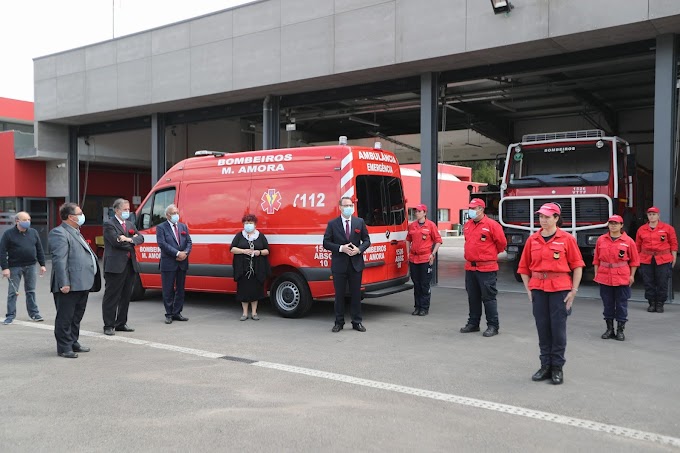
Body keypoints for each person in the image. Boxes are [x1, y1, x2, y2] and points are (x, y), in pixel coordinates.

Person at [517, 202, 584, 385]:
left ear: (556, 218)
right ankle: (545, 365)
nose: (543, 220)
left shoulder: (567, 239)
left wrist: (573, 291)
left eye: (547, 217)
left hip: (560, 288)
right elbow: (523, 268)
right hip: (538, 288)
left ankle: (557, 368)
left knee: (558, 329)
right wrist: (528, 289)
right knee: (543, 327)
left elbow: (577, 266)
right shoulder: (533, 240)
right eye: (541, 217)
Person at [49, 203, 101, 358]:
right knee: (65, 317)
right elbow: (60, 260)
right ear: (71, 217)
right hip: (69, 284)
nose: (82, 215)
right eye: (79, 213)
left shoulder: (76, 231)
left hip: (82, 282)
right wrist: (64, 282)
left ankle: (73, 341)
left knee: (76, 316)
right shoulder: (59, 233)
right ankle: (64, 347)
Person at [460, 198, 507, 337]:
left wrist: (489, 255)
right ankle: (473, 323)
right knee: (473, 297)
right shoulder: (468, 225)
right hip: (470, 268)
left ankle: (493, 326)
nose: (471, 211)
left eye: (474, 208)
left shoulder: (492, 225)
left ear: (481, 209)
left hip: (486, 268)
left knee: (488, 298)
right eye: (470, 208)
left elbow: (501, 244)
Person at [323, 197, 371, 333]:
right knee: (339, 295)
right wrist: (341, 248)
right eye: (346, 205)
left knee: (356, 295)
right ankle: (339, 322)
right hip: (339, 265)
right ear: (340, 207)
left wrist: (359, 249)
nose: (349, 207)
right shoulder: (333, 224)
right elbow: (326, 242)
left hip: (355, 264)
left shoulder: (359, 222)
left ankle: (357, 322)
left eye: (351, 205)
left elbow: (367, 240)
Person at [101, 198, 144, 335]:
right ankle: (108, 325)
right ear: (117, 210)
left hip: (130, 265)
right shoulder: (109, 224)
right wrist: (131, 242)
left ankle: (121, 323)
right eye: (125, 209)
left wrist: (129, 239)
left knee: (126, 296)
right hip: (115, 265)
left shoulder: (130, 224)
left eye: (128, 209)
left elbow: (141, 238)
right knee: (112, 296)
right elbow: (116, 242)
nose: (127, 212)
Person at [593, 215, 639, 341]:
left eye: (616, 223)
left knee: (621, 304)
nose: (613, 225)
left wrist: (632, 276)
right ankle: (609, 329)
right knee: (607, 304)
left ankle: (620, 330)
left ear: (621, 225)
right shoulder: (601, 240)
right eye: (611, 223)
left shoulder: (628, 241)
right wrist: (597, 274)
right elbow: (596, 259)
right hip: (604, 275)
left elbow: (634, 261)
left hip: (621, 276)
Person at [1, 211, 47, 324]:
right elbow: (2, 252)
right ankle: (10, 315)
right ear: (17, 221)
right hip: (14, 267)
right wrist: (5, 268)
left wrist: (42, 264)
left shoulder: (33, 233)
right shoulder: (8, 234)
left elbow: (39, 249)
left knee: (31, 291)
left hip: (31, 265)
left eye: (29, 220)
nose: (27, 222)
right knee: (13, 292)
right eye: (25, 220)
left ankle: (34, 314)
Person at [635, 206, 677, 313]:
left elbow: (673, 243)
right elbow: (637, 246)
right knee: (648, 282)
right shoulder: (642, 229)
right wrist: (637, 259)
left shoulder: (668, 228)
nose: (652, 216)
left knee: (662, 281)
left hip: (663, 258)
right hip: (646, 258)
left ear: (658, 216)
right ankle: (651, 303)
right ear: (647, 216)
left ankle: (660, 303)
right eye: (650, 214)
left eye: (654, 214)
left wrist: (674, 257)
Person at [230, 214, 271, 321]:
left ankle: (254, 312)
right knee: (243, 290)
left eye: (250, 223)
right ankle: (244, 313)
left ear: (255, 224)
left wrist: (259, 252)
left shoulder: (260, 236)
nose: (248, 225)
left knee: (255, 290)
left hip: (257, 269)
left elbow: (267, 251)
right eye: (247, 223)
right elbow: (232, 249)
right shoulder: (239, 235)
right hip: (243, 268)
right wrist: (243, 251)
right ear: (243, 224)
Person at [156, 204, 192, 324]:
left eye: (177, 212)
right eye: (174, 213)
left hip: (182, 263)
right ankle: (169, 314)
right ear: (167, 215)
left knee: (180, 290)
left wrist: (185, 253)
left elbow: (189, 242)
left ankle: (177, 312)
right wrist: (177, 253)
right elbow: (162, 244)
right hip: (169, 263)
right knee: (168, 290)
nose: (176, 215)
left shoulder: (183, 227)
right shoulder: (161, 227)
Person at [406, 204, 442, 316]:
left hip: (425, 258)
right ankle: (417, 307)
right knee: (416, 284)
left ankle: (424, 308)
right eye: (416, 211)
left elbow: (438, 241)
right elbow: (408, 239)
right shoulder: (412, 226)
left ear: (425, 213)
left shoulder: (431, 225)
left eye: (419, 211)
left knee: (424, 284)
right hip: (414, 258)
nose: (417, 213)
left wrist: (432, 254)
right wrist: (408, 252)